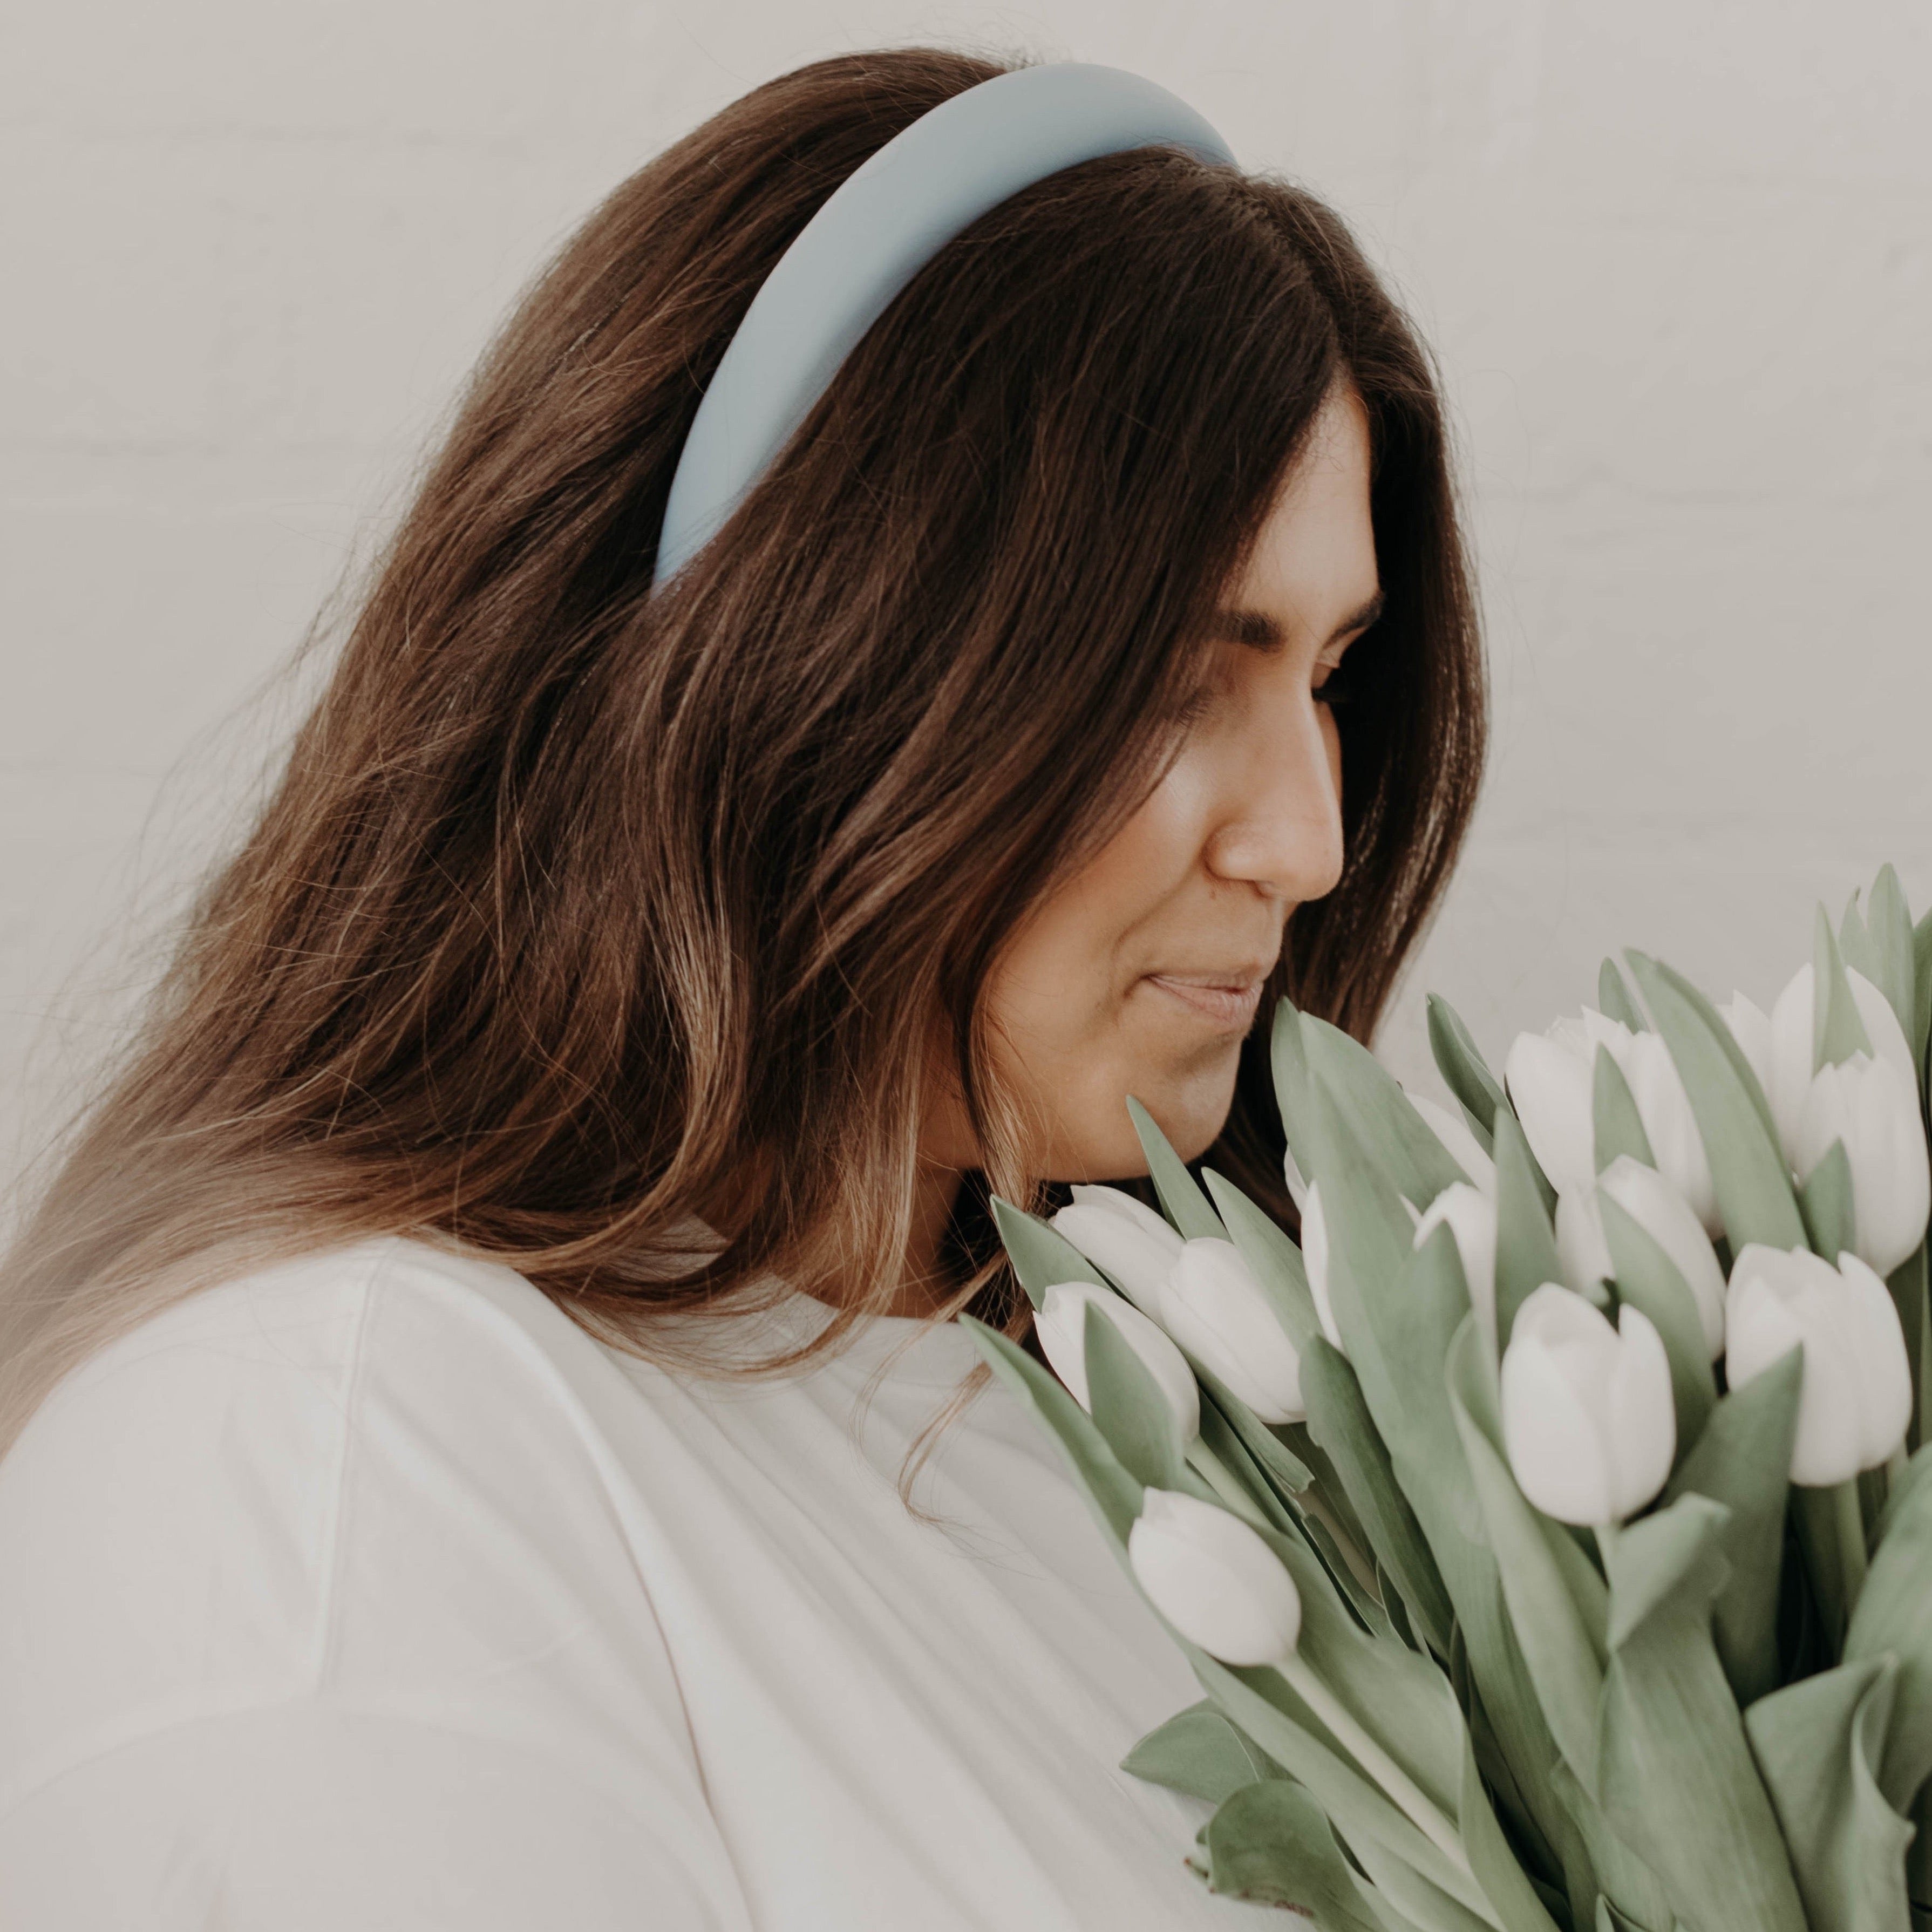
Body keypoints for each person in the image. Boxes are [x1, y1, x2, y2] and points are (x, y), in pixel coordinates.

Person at [0, 45, 1482, 1930]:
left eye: (1331, 676)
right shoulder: (343, 1463)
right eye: (1185, 671)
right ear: (815, 673)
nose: (1309, 844)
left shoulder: (1134, 1436)